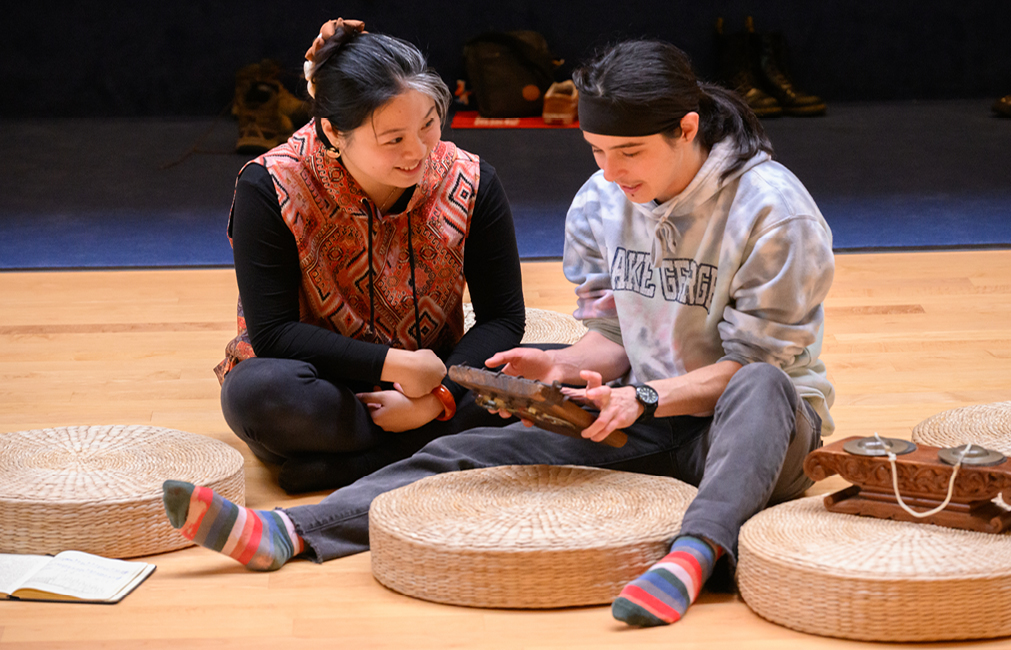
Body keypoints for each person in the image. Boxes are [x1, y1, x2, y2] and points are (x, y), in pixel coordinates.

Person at [164, 38, 835, 628]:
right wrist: (567, 367)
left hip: (753, 430)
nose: (609, 172)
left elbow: (758, 364)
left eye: (627, 152)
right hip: (647, 415)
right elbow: (611, 332)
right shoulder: (605, 199)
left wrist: (648, 398)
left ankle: (693, 555)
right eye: (597, 151)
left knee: (765, 384)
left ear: (687, 129)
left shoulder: (773, 212)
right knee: (479, 451)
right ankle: (288, 532)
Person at [214, 19, 526, 493]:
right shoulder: (270, 184)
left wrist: (439, 394)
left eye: (428, 125)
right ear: (335, 133)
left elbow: (503, 318)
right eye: (393, 139)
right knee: (259, 395)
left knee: (559, 376)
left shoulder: (472, 178)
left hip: (434, 378)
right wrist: (400, 368)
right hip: (325, 383)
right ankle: (433, 448)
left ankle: (358, 465)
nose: (419, 150)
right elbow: (274, 334)